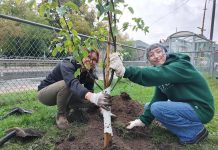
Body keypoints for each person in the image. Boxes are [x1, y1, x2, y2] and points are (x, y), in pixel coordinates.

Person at [109, 43, 214, 144]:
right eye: (151, 55)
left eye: (159, 52)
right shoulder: (162, 74)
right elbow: (158, 98)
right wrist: (142, 121)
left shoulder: (180, 65)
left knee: (157, 108)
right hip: (188, 107)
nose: (156, 56)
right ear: (149, 60)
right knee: (149, 106)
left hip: (201, 109)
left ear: (166, 52)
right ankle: (186, 125)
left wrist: (126, 71)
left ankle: (194, 133)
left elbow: (158, 74)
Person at [38, 49, 110, 129]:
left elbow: (89, 90)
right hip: (45, 94)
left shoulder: (89, 72)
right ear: (81, 56)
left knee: (87, 100)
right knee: (66, 84)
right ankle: (61, 115)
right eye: (89, 57)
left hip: (65, 93)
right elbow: (71, 82)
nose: (91, 61)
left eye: (94, 60)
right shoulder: (68, 63)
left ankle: (73, 111)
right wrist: (90, 96)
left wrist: (97, 103)